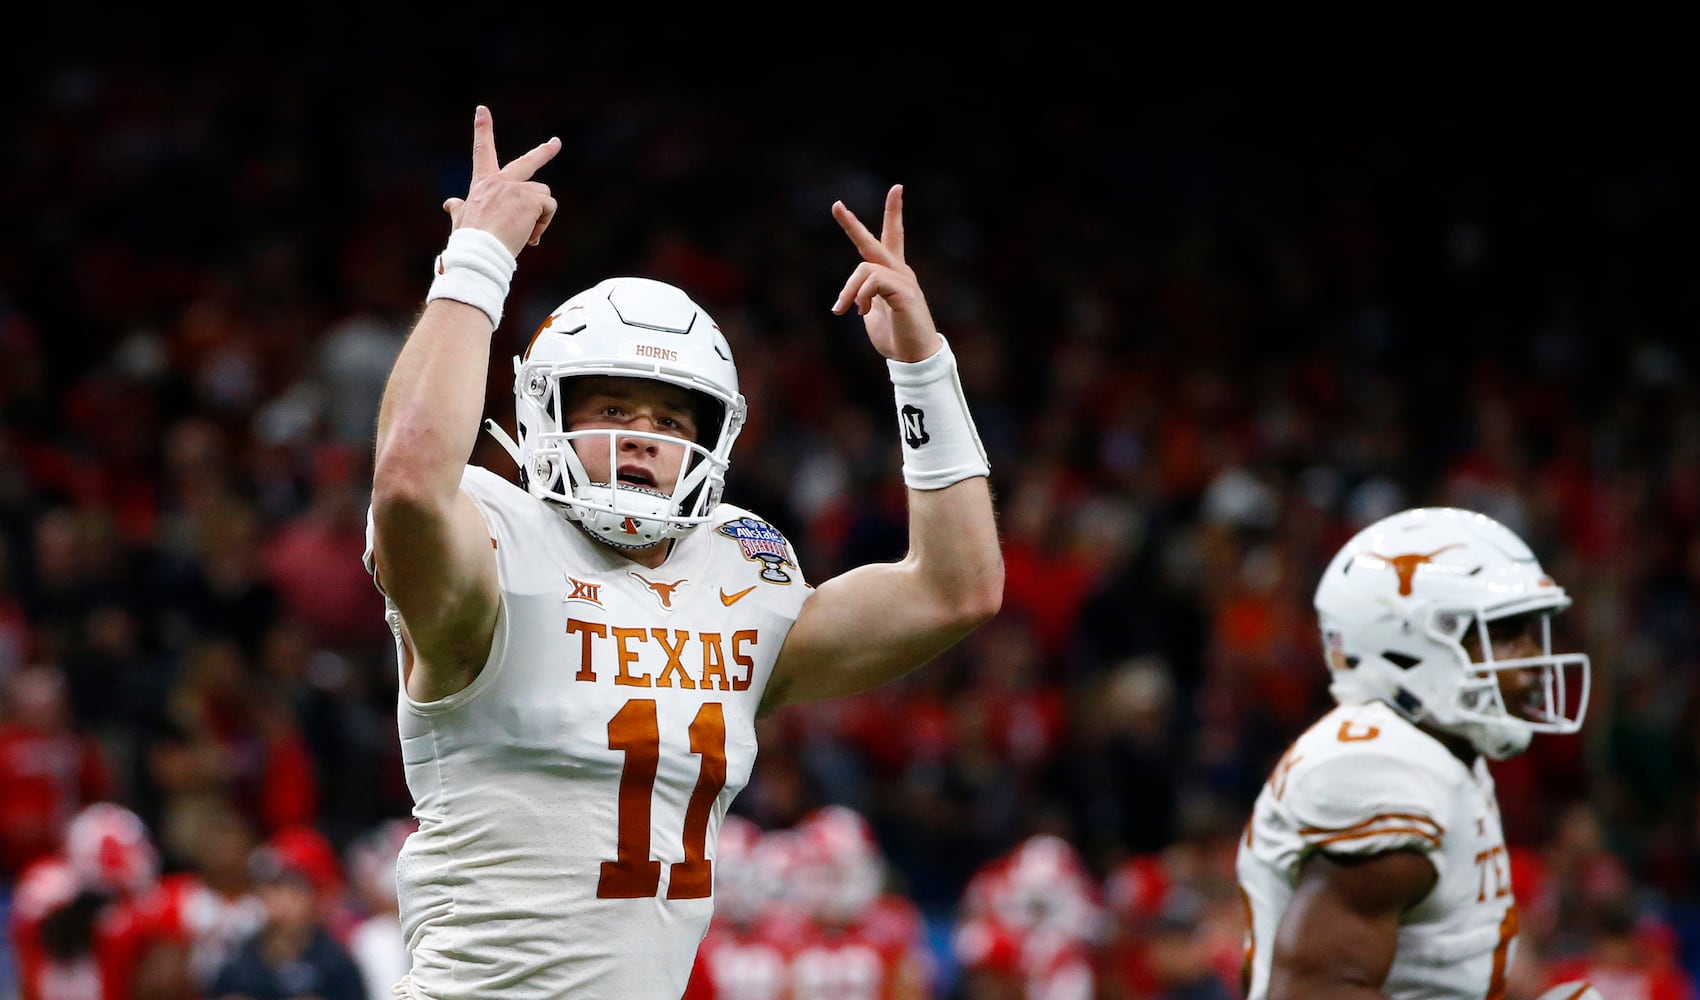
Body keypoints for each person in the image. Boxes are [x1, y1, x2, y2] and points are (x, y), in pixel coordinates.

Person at [363, 105, 1003, 999]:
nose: (642, 439)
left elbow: (957, 591)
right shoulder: (494, 555)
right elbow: (406, 480)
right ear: (547, 413)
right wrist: (477, 259)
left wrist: (922, 366)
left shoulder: (737, 578)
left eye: (668, 419)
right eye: (613, 411)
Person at [1235, 507, 1591, 1000]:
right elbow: (1316, 992)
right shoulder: (1382, 773)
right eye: (1506, 633)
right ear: (1410, 645)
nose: (1533, 660)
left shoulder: (1436, 750)